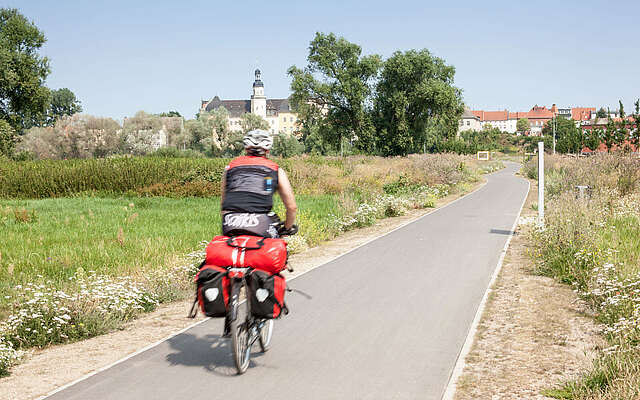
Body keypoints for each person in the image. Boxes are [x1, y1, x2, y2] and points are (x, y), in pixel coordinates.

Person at [220, 129, 297, 238]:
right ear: (268, 150)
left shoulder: (229, 168)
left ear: (246, 149)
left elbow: (223, 203)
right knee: (276, 245)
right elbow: (292, 207)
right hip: (259, 223)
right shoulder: (275, 170)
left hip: (230, 222)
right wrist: (287, 228)